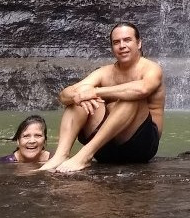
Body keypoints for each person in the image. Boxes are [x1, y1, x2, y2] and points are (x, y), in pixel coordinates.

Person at [40, 22, 165, 173]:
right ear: (112, 47)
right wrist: (77, 96)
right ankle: (61, 155)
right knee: (79, 99)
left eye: (127, 40)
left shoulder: (152, 68)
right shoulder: (104, 72)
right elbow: (64, 95)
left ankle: (84, 155)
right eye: (116, 42)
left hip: (140, 146)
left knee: (131, 97)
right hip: (105, 148)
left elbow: (143, 88)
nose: (122, 45)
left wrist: (96, 92)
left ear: (138, 43)